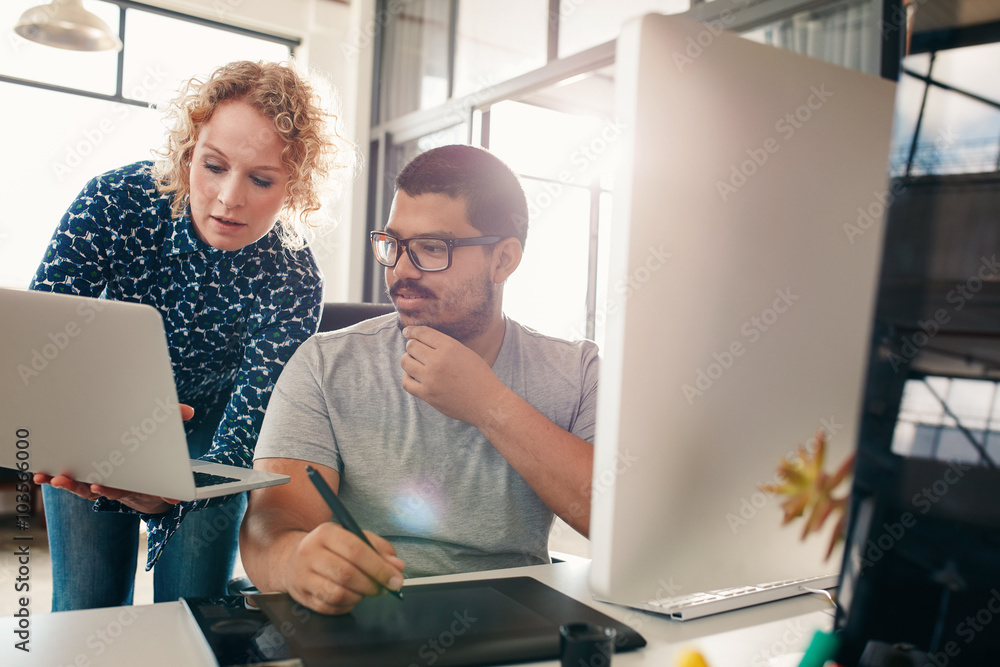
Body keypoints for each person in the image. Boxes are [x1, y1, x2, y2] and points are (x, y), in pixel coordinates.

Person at [31, 60, 354, 610]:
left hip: (213, 430)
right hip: (98, 411)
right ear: (188, 153)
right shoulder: (114, 202)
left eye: (261, 179)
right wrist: (64, 428)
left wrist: (177, 494)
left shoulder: (294, 278)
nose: (229, 198)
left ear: (295, 187)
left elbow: (252, 419)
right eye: (214, 166)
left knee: (194, 609)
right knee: (86, 605)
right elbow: (43, 335)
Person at [240, 144, 598, 615]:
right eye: (393, 244)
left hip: (513, 617)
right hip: (361, 618)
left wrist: (486, 404)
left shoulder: (575, 370)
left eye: (433, 247)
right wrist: (295, 564)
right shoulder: (324, 363)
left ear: (504, 260)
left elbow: (621, 522)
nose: (401, 270)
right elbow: (273, 519)